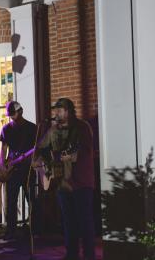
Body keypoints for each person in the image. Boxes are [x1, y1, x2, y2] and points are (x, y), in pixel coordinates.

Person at [35, 98, 95, 260]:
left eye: (60, 110)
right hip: (62, 184)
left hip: (81, 182)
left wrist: (70, 156)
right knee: (68, 223)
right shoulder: (53, 130)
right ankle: (71, 255)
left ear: (68, 111)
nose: (56, 113)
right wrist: (45, 165)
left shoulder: (82, 127)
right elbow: (40, 149)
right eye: (55, 110)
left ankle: (89, 256)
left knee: (85, 223)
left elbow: (85, 151)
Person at [0, 101, 37, 240]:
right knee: (11, 201)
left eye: (13, 114)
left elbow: (36, 149)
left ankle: (34, 230)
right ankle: (11, 231)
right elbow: (3, 149)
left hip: (27, 169)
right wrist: (2, 165)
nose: (12, 117)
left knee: (31, 199)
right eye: (10, 115)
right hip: (12, 170)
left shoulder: (33, 128)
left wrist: (27, 157)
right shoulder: (6, 128)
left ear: (20, 111)